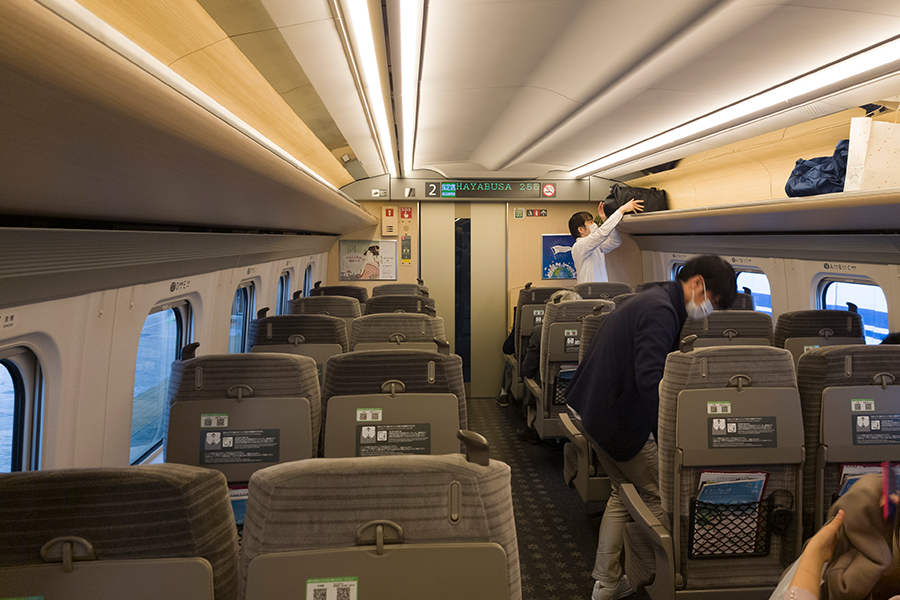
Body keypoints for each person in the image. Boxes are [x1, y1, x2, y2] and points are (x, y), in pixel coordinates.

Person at [565, 255, 737, 600]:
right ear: (698, 284)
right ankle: (663, 578)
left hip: (595, 410)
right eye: (713, 302)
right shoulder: (661, 310)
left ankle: (607, 583)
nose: (709, 310)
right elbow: (651, 380)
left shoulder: (657, 298)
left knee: (622, 491)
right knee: (663, 497)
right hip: (616, 418)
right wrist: (668, 438)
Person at [517, 290, 582, 444]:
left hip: (551, 399)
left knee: (531, 378)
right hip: (581, 396)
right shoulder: (592, 331)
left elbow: (527, 369)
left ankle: (531, 427)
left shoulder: (540, 332)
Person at [569, 199, 644, 285]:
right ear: (581, 229)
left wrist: (605, 219)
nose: (594, 224)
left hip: (601, 291)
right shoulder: (579, 246)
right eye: (590, 222)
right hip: (587, 294)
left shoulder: (595, 247)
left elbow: (615, 242)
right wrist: (621, 210)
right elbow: (601, 234)